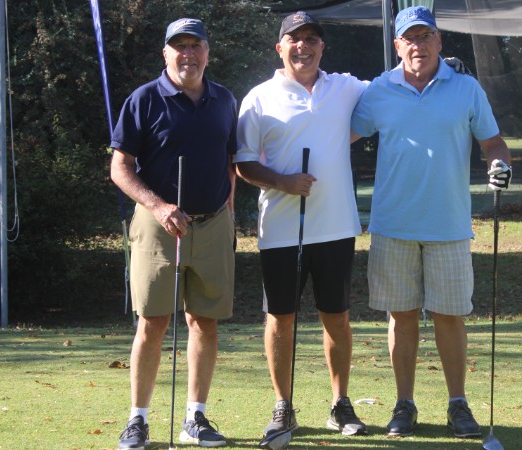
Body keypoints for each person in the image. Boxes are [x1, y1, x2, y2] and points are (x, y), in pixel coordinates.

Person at [350, 5, 512, 440]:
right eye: (410, 38)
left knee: (450, 317)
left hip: (449, 226)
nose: (418, 45)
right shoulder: (379, 90)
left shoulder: (466, 88)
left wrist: (500, 165)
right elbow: (342, 134)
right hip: (393, 225)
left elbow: (494, 143)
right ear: (397, 45)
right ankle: (404, 405)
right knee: (401, 317)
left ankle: (458, 404)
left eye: (426, 37)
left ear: (439, 41)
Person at [234, 11, 369, 442]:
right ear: (280, 48)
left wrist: (444, 69)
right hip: (280, 230)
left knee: (337, 317)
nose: (303, 46)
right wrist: (283, 182)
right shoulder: (259, 98)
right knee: (280, 319)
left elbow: (395, 88)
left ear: (322, 47)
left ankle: (340, 403)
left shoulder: (345, 87)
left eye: (311, 39)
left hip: (336, 227)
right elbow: (243, 163)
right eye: (294, 39)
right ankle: (283, 406)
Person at [110, 18, 237, 449]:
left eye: (195, 45)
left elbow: (230, 162)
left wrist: (228, 212)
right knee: (153, 321)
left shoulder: (224, 99)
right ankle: (138, 420)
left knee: (204, 321)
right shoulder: (145, 99)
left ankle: (195, 418)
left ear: (207, 52)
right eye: (179, 46)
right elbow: (120, 167)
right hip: (158, 223)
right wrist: (158, 205)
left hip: (213, 223)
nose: (188, 54)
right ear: (165, 53)